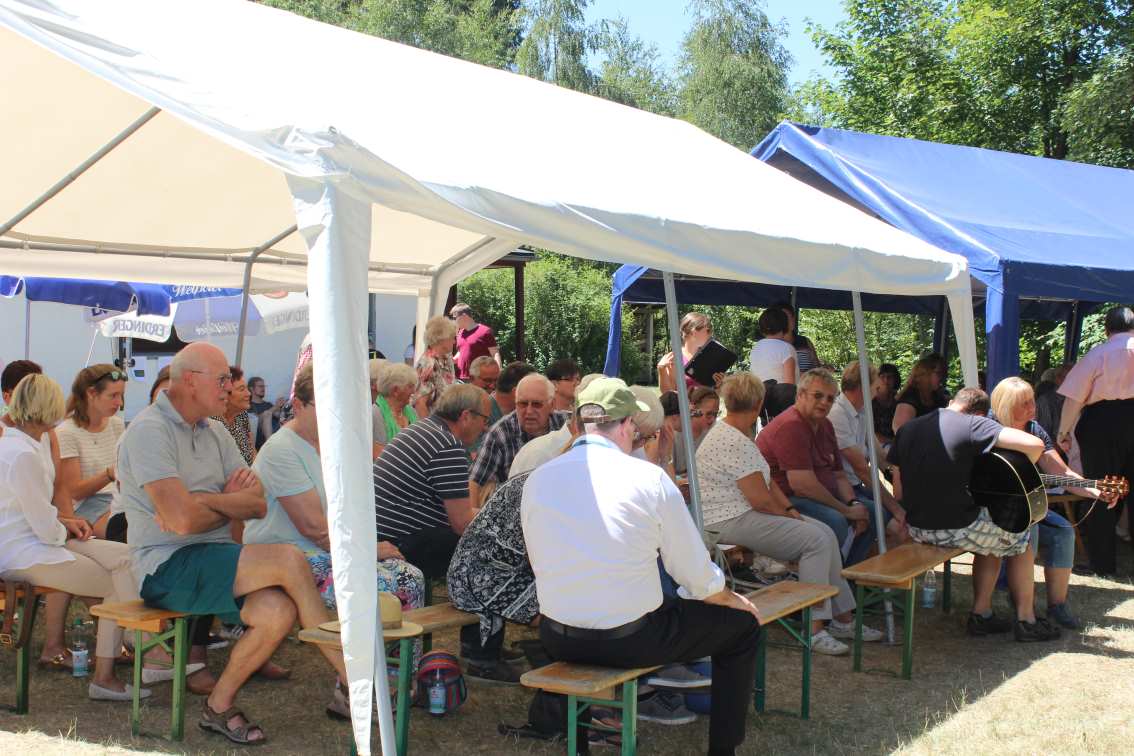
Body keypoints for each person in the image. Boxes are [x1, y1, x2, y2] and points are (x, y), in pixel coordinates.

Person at [118, 342, 348, 744]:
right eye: (222, 378)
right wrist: (224, 503)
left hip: (213, 556)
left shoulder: (216, 430)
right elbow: (182, 522)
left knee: (278, 611)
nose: (229, 387)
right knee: (290, 560)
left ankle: (218, 706)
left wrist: (204, 500)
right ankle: (355, 682)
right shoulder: (148, 431)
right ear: (191, 381)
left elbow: (256, 504)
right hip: (165, 566)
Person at [522, 377, 761, 756]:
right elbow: (694, 574)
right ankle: (723, 749)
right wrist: (729, 597)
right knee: (743, 627)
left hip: (557, 635)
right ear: (627, 425)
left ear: (581, 422)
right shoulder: (648, 479)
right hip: (630, 639)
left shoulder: (538, 479)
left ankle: (580, 745)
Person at [243, 362, 425, 715]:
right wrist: (368, 550)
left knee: (409, 576)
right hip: (284, 559)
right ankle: (362, 686)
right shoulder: (282, 450)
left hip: (320, 552)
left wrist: (370, 547)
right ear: (299, 406)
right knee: (393, 583)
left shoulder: (328, 445)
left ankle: (394, 679)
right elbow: (315, 528)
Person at [698, 373, 881, 655]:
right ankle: (814, 628)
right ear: (758, 404)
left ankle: (842, 618)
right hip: (727, 520)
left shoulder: (734, 433)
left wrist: (791, 511)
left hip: (736, 515)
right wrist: (790, 517)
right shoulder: (733, 440)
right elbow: (761, 499)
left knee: (824, 533)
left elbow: (768, 484)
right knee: (815, 540)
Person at [0, 374, 148, 701]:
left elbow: (35, 513)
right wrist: (67, 527)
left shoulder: (22, 444)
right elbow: (42, 525)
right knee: (113, 582)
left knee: (124, 557)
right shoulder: (22, 453)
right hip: (25, 551)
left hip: (32, 541)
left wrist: (67, 524)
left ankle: (141, 644)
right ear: (47, 408)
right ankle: (112, 671)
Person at [888, 388, 1060, 641]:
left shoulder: (909, 428)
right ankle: (1026, 619)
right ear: (979, 414)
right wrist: (1019, 467)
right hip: (955, 528)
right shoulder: (973, 424)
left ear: (952, 402)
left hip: (916, 526)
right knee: (1021, 536)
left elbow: (898, 482)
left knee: (991, 535)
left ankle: (983, 614)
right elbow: (1035, 445)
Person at [990, 377, 1115, 628]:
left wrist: (1094, 490)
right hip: (992, 509)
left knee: (1063, 531)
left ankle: (1057, 605)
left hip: (1027, 507)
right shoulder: (989, 428)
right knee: (1032, 530)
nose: (1032, 407)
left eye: (1032, 400)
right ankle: (1022, 605)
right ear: (1006, 406)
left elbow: (1061, 473)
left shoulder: (1035, 430)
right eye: (1024, 403)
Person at [756, 369, 880, 566]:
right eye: (818, 396)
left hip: (817, 496)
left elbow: (839, 475)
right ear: (800, 395)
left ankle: (848, 572)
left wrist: (853, 503)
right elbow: (802, 486)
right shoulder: (791, 426)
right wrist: (846, 511)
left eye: (830, 398)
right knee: (837, 521)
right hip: (786, 500)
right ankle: (832, 573)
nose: (824, 402)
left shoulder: (825, 425)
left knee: (873, 512)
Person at [2, 360, 75, 671]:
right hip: (22, 544)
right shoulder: (17, 447)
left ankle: (113, 654)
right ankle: (113, 658)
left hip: (35, 533)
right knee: (107, 575)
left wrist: (66, 523)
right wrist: (63, 530)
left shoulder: (39, 438)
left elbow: (58, 487)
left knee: (110, 561)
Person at [1056, 306, 1134, 576]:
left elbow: (1074, 398)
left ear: (1106, 328)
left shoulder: (1099, 353)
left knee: (1101, 488)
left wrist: (1063, 432)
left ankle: (1102, 564)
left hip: (1102, 423)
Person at [827, 362, 907, 540]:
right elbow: (862, 470)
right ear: (862, 387)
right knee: (897, 524)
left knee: (902, 520)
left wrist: (897, 476)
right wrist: (896, 509)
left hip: (855, 486)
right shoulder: (837, 414)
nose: (877, 392)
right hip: (841, 490)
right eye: (875, 387)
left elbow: (879, 456)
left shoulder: (862, 411)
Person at [468, 373, 570, 506]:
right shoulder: (500, 434)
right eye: (522, 404)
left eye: (537, 404)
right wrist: (472, 517)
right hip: (514, 508)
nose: (529, 411)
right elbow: (475, 481)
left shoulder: (567, 425)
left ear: (552, 405)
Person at [56, 364, 128, 539]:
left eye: (121, 395)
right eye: (113, 396)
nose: (119, 403)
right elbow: (75, 492)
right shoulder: (67, 432)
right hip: (85, 507)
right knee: (132, 530)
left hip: (117, 498)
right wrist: (110, 474)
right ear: (91, 393)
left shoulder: (116, 424)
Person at [657, 311, 716, 393]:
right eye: (708, 330)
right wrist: (661, 370)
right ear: (693, 331)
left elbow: (713, 393)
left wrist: (718, 384)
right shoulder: (674, 358)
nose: (710, 334)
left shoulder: (708, 357)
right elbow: (668, 393)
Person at [892, 354, 949, 435]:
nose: (943, 377)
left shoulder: (938, 397)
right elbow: (901, 432)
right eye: (939, 373)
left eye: (944, 373)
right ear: (925, 374)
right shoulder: (910, 398)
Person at [372, 361, 419, 458]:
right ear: (395, 391)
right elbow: (380, 455)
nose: (414, 391)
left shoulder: (412, 412)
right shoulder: (376, 414)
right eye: (410, 386)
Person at [414, 315, 458, 416]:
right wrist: (428, 426)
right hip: (433, 421)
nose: (454, 341)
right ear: (442, 339)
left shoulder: (447, 358)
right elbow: (420, 403)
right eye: (452, 337)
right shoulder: (428, 364)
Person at [672, 386, 719, 477]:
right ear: (693, 410)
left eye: (716, 414)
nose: (713, 419)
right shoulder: (675, 433)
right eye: (709, 414)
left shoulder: (715, 432)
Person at [213, 366, 255, 467]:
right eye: (242, 389)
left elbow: (252, 449)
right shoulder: (212, 422)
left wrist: (256, 471)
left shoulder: (242, 415)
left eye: (247, 389)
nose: (248, 394)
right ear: (225, 394)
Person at [451, 303, 500, 380]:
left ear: (464, 316)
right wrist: (452, 360)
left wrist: (498, 374)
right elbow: (461, 351)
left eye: (455, 318)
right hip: (460, 378)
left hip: (479, 379)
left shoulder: (485, 331)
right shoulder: (460, 333)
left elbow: (495, 354)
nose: (453, 321)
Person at [748, 307, 797, 385]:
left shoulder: (756, 347)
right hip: (780, 392)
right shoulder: (786, 348)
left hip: (759, 392)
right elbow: (789, 386)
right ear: (785, 325)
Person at [774, 300, 819, 373]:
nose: (789, 321)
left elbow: (818, 368)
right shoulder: (772, 344)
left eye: (790, 317)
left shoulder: (805, 341)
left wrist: (825, 368)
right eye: (783, 319)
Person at [247, 376, 284, 450]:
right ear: (252, 389)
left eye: (264, 386)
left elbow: (279, 416)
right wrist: (275, 408)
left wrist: (280, 407)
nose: (263, 388)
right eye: (260, 386)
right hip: (260, 439)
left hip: (276, 436)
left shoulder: (268, 404)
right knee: (267, 414)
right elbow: (254, 421)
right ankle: (270, 448)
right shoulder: (249, 405)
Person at [872, 363, 901, 446]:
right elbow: (869, 433)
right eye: (882, 377)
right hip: (875, 445)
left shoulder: (899, 399)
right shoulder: (870, 400)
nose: (886, 380)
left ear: (895, 380)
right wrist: (891, 442)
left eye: (890, 377)